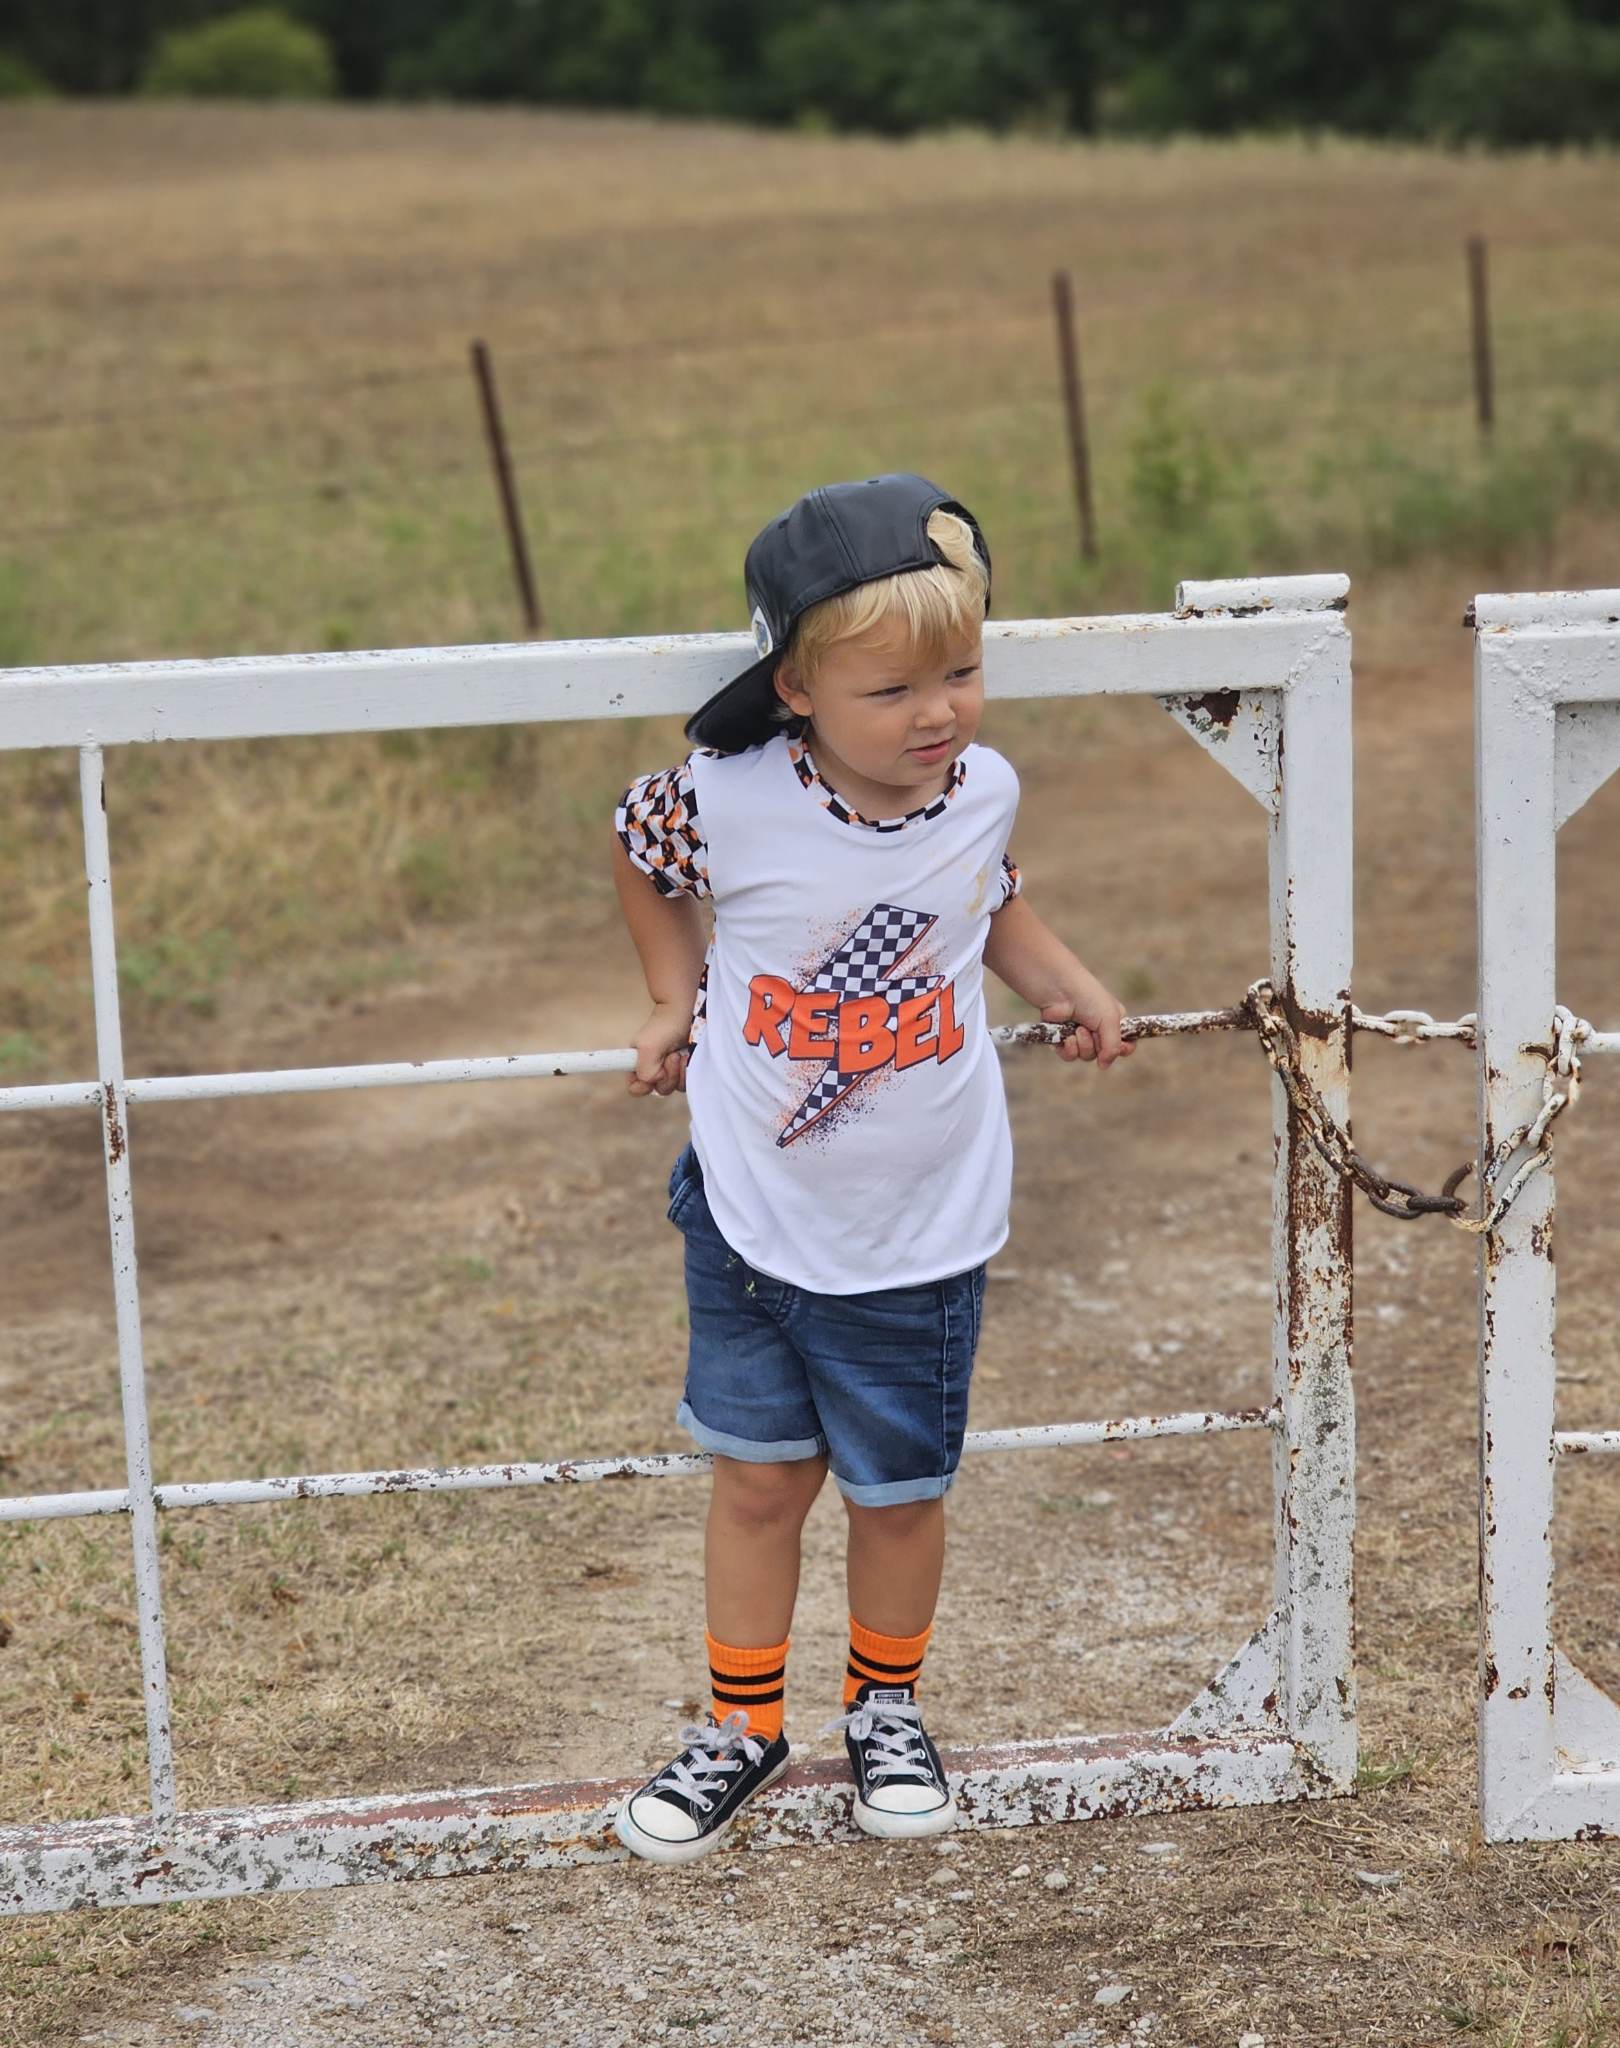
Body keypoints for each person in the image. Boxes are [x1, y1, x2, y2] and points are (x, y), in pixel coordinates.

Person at [609, 472, 1131, 1864]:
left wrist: (1065, 982)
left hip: (919, 1225)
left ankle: (885, 1708)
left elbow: (989, 892)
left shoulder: (984, 791)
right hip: (748, 1209)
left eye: (960, 673)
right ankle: (742, 1724)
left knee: (899, 1492)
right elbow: (637, 850)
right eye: (893, 690)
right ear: (795, 689)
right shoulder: (721, 799)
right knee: (760, 1481)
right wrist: (674, 995)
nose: (938, 713)